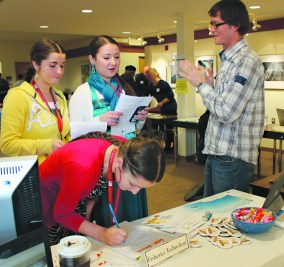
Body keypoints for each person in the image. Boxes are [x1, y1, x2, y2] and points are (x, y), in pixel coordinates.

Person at [178, 0, 265, 197]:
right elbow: (225, 102)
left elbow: (227, 112)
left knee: (227, 219)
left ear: (234, 25)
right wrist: (210, 87)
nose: (211, 30)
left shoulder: (246, 61)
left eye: (216, 24)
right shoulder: (229, 60)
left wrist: (200, 85)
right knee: (216, 217)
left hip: (232, 157)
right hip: (218, 152)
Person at [69, 35, 149, 227]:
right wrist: (100, 121)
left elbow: (132, 129)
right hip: (103, 170)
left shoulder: (125, 88)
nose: (113, 63)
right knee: (110, 221)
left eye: (117, 57)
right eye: (106, 58)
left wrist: (140, 119)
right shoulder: (83, 93)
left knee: (135, 222)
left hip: (130, 163)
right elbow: (75, 138)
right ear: (92, 59)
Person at [39, 131, 166, 245]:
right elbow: (62, 213)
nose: (134, 192)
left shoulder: (122, 150)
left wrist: (85, 227)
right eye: (133, 184)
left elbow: (91, 194)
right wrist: (101, 233)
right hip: (46, 202)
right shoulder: (82, 168)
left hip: (74, 196)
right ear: (120, 164)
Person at [0, 38, 71, 165]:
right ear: (36, 64)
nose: (59, 71)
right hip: (34, 173)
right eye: (53, 65)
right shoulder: (18, 96)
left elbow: (63, 134)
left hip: (61, 167)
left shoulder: (59, 96)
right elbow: (8, 144)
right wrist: (47, 145)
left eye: (62, 66)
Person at [146, 67, 177, 152]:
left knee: (169, 127)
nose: (147, 79)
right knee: (160, 126)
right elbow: (146, 96)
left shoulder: (163, 84)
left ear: (152, 75)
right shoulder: (150, 85)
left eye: (148, 76)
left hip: (170, 108)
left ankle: (168, 146)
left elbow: (170, 96)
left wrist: (162, 102)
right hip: (161, 109)